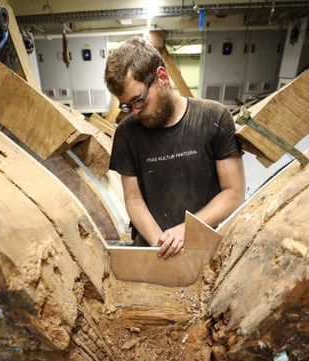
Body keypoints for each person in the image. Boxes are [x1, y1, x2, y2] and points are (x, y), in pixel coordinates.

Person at [105, 37, 245, 259]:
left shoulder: (213, 117)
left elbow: (234, 193)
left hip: (205, 248)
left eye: (139, 100)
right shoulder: (126, 132)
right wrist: (160, 245)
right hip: (153, 250)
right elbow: (133, 199)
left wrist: (187, 230)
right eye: (127, 105)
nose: (135, 111)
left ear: (161, 77)